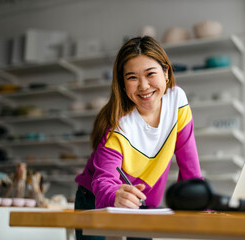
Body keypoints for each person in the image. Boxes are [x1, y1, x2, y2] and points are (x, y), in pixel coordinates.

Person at [74, 36, 202, 240]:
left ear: (166, 73)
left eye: (151, 74)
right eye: (132, 77)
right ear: (123, 84)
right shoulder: (119, 126)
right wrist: (115, 195)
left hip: (143, 202)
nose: (143, 86)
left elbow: (190, 168)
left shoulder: (177, 101)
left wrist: (200, 204)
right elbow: (104, 180)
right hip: (96, 197)